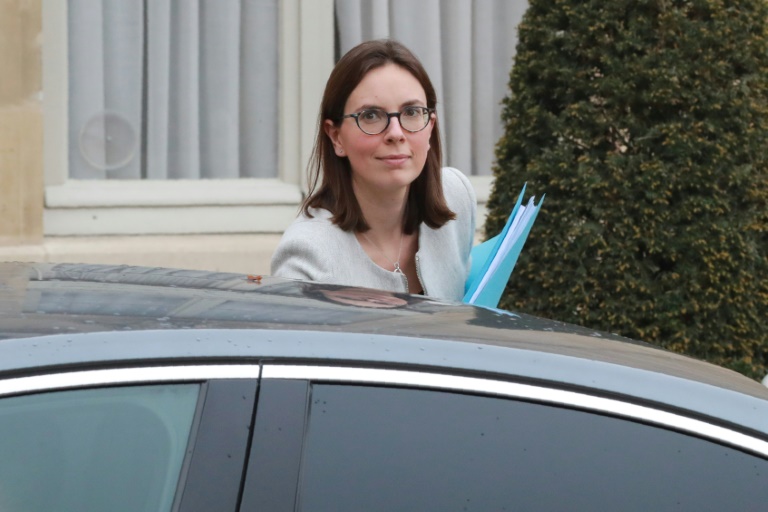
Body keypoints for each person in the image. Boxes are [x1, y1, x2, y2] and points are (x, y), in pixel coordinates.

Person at [271, 39, 476, 302]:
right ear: (336, 137)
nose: (396, 133)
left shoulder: (456, 196)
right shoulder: (307, 256)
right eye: (370, 116)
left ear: (430, 127)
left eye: (411, 112)